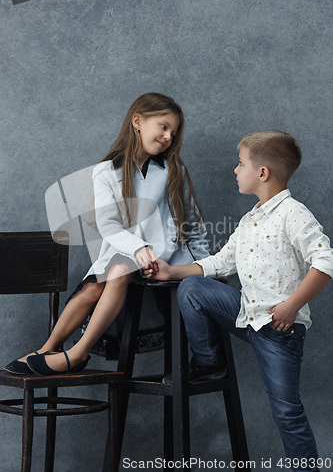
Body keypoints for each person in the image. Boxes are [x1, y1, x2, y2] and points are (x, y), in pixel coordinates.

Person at [144, 130, 333, 472]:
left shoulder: (293, 213)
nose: (235, 169)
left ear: (263, 173)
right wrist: (170, 272)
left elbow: (325, 261)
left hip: (280, 329)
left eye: (240, 163)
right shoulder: (249, 220)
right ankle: (208, 360)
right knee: (193, 289)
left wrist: (291, 305)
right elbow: (219, 263)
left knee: (287, 411)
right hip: (246, 315)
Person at [4, 92, 209, 376]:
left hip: (167, 257)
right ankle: (48, 348)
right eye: (163, 126)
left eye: (173, 133)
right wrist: (137, 247)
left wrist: (208, 264)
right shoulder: (106, 172)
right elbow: (109, 224)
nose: (168, 137)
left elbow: (193, 223)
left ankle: (78, 352)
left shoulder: (173, 169)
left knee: (117, 269)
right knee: (95, 284)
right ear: (138, 121)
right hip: (126, 252)